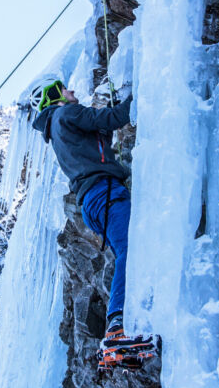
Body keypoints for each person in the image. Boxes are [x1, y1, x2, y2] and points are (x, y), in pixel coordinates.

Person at [31, 79, 153, 364]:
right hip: (105, 192)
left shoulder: (58, 128)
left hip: (93, 202)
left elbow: (98, 136)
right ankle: (117, 328)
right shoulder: (66, 113)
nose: (72, 92)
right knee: (130, 251)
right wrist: (146, 88)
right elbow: (113, 118)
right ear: (54, 96)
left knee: (128, 253)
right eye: (65, 89)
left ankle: (130, 324)